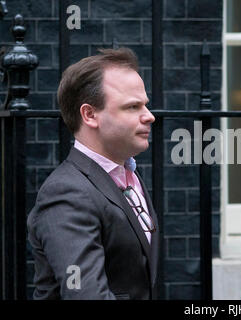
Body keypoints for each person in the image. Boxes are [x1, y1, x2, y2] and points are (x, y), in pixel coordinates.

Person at [27, 48, 159, 300]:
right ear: (89, 114)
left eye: (145, 105)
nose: (149, 116)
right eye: (133, 107)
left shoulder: (127, 175)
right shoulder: (67, 194)